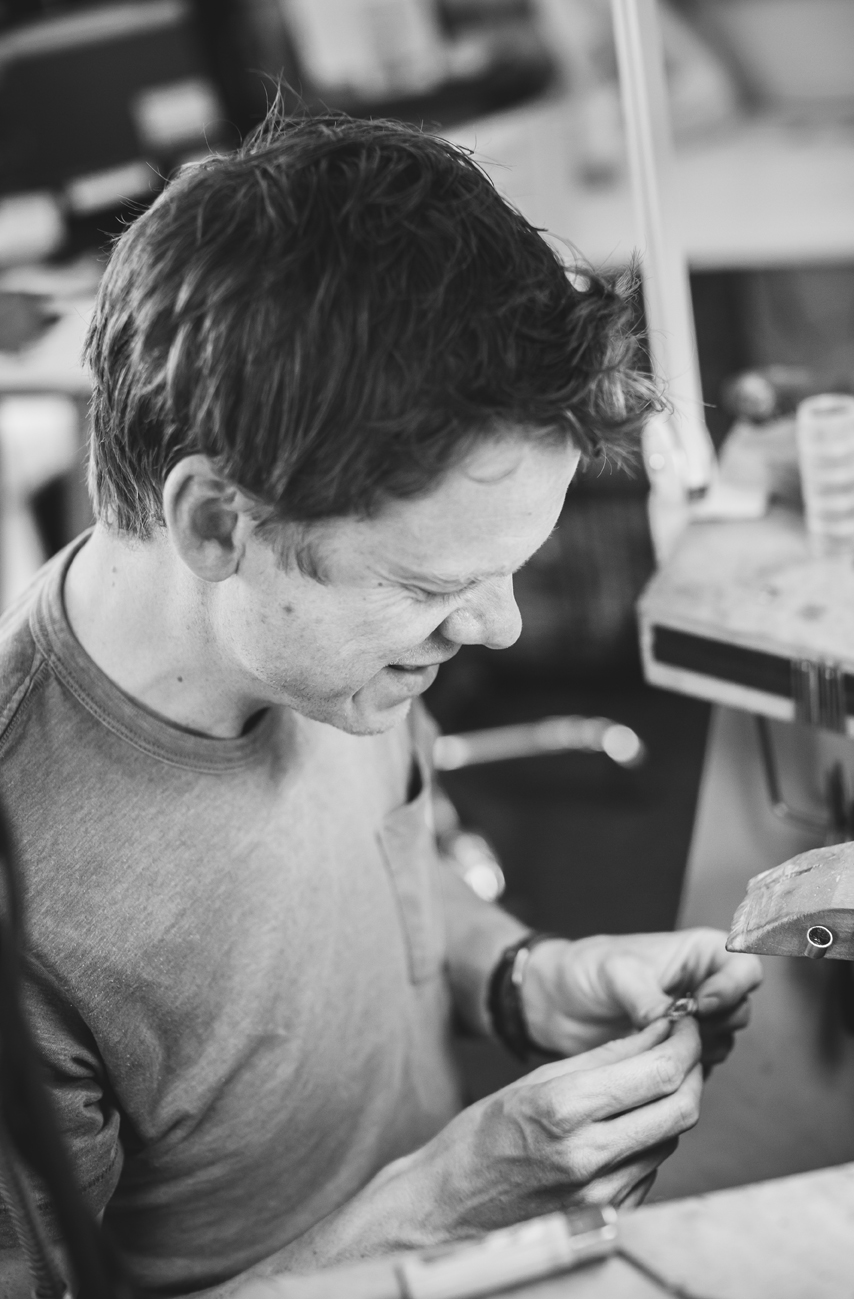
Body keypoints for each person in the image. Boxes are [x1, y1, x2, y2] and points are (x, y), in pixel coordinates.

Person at [0, 111, 761, 1297]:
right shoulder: (28, 909)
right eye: (432, 583)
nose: (498, 628)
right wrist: (439, 1204)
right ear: (215, 522)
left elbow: (398, 870)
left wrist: (517, 979)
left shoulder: (334, 655)